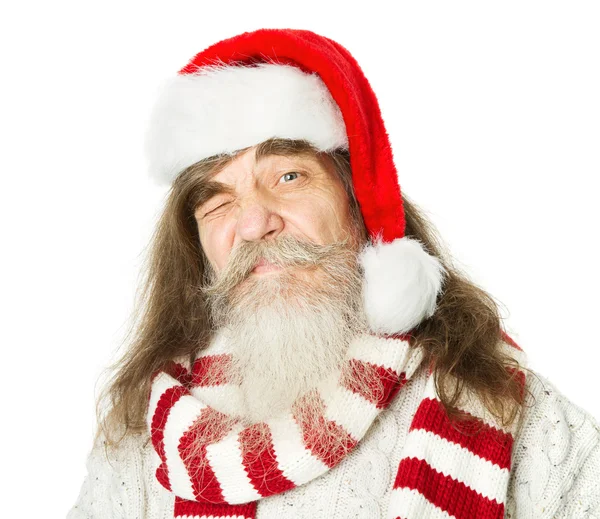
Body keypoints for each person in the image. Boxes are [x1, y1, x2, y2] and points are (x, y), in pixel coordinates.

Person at [67, 28, 600, 519]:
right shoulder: (138, 434)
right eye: (218, 201)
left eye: (289, 176)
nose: (253, 224)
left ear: (360, 203)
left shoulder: (520, 418)